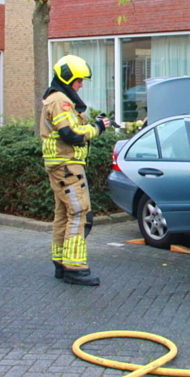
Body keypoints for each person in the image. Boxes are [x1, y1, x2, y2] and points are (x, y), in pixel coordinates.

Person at [40, 55, 110, 286]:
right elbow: (70, 134)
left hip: (61, 165)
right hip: (67, 165)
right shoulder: (60, 101)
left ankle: (60, 262)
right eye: (79, 81)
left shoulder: (56, 98)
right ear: (68, 78)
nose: (80, 85)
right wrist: (98, 128)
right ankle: (75, 267)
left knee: (63, 213)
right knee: (79, 214)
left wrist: (94, 126)